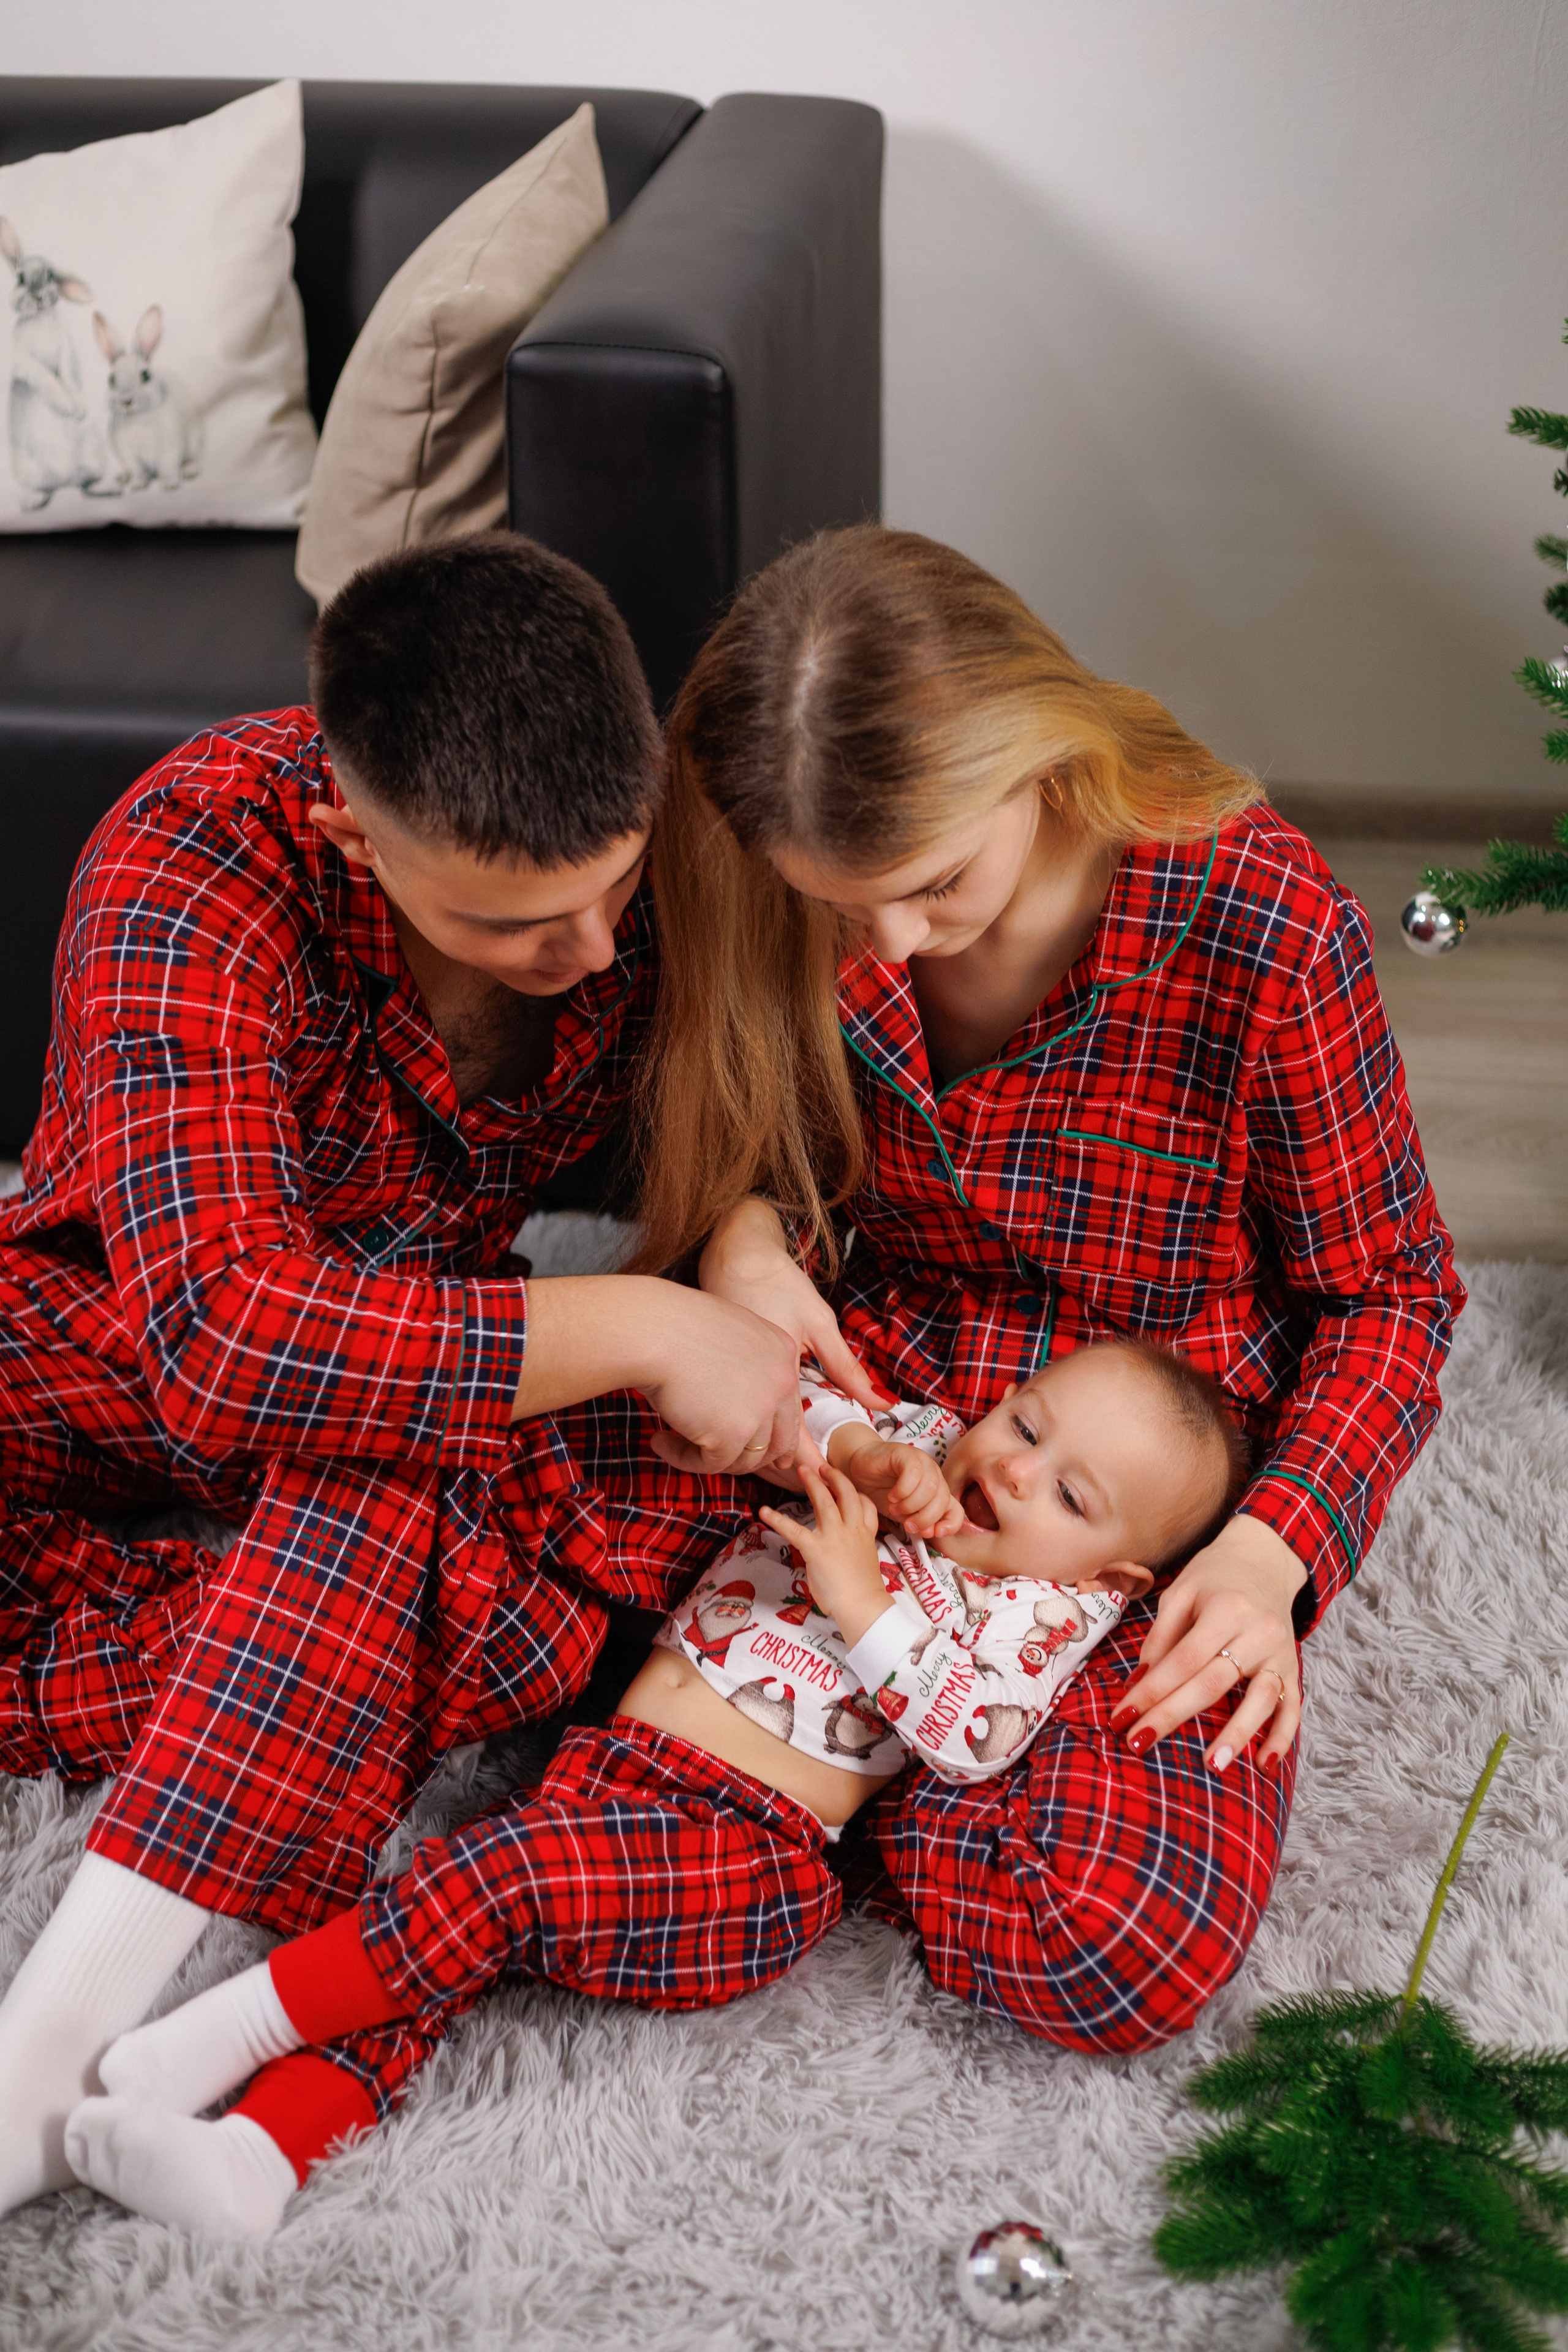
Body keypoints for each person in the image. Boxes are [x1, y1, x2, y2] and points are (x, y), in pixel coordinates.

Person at [0, 533, 856, 2216]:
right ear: (345, 827)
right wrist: (642, 1324)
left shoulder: (657, 852)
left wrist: (745, 1246)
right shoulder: (192, 860)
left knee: (407, 1468)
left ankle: (48, 2038)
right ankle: (360, 1662)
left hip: (394, 1405)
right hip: (94, 1343)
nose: (601, 954)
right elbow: (230, 1344)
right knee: (437, 1508)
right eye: (518, 922)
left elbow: (795, 1101)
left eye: (617, 889)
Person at [630, 523, 1464, 2054]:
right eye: (835, 907)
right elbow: (759, 1151)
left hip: (1117, 1505)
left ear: (1029, 755)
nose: (878, 945)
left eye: (929, 885)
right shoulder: (785, 868)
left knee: (1117, 1941)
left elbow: (1394, 1295)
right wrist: (743, 1238)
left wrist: (1272, 1551)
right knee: (442, 1501)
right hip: (867, 1396)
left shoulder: (1258, 919)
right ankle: (821, 1761)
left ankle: (816, 1783)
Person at [63, 1339, 1245, 2236]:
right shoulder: (920, 1444)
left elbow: (973, 1739)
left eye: (1070, 1498)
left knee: (484, 1879)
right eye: (1025, 1424)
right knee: (446, 1935)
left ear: (1117, 1572)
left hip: (753, 1852)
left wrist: (863, 1601)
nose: (1017, 1473)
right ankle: (262, 2156)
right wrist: (864, 1457)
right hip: (615, 1765)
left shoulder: (1047, 1617)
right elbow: (799, 1412)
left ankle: (218, 2036)